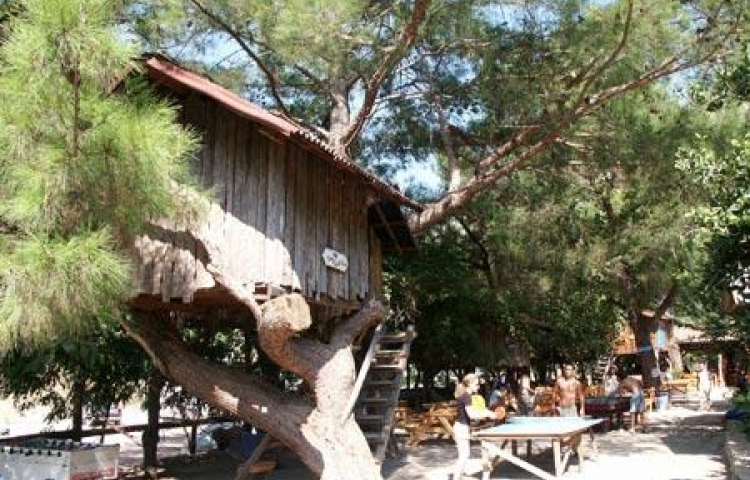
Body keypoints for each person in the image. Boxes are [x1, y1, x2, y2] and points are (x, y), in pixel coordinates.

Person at [452, 373, 498, 480]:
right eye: (476, 384)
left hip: (461, 427)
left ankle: (459, 476)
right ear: (469, 384)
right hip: (461, 428)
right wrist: (488, 414)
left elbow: (475, 410)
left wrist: (487, 412)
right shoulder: (466, 396)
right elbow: (472, 414)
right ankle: (456, 477)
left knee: (464, 455)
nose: (478, 386)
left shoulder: (466, 396)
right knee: (464, 456)